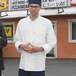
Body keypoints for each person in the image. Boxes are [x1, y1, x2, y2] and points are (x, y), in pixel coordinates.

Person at [14, 0, 57, 76]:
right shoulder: (22, 22)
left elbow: (52, 42)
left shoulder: (46, 22)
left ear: (40, 7)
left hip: (38, 64)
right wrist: (21, 45)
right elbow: (17, 40)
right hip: (24, 64)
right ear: (28, 7)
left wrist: (40, 48)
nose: (33, 9)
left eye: (36, 6)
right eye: (31, 6)